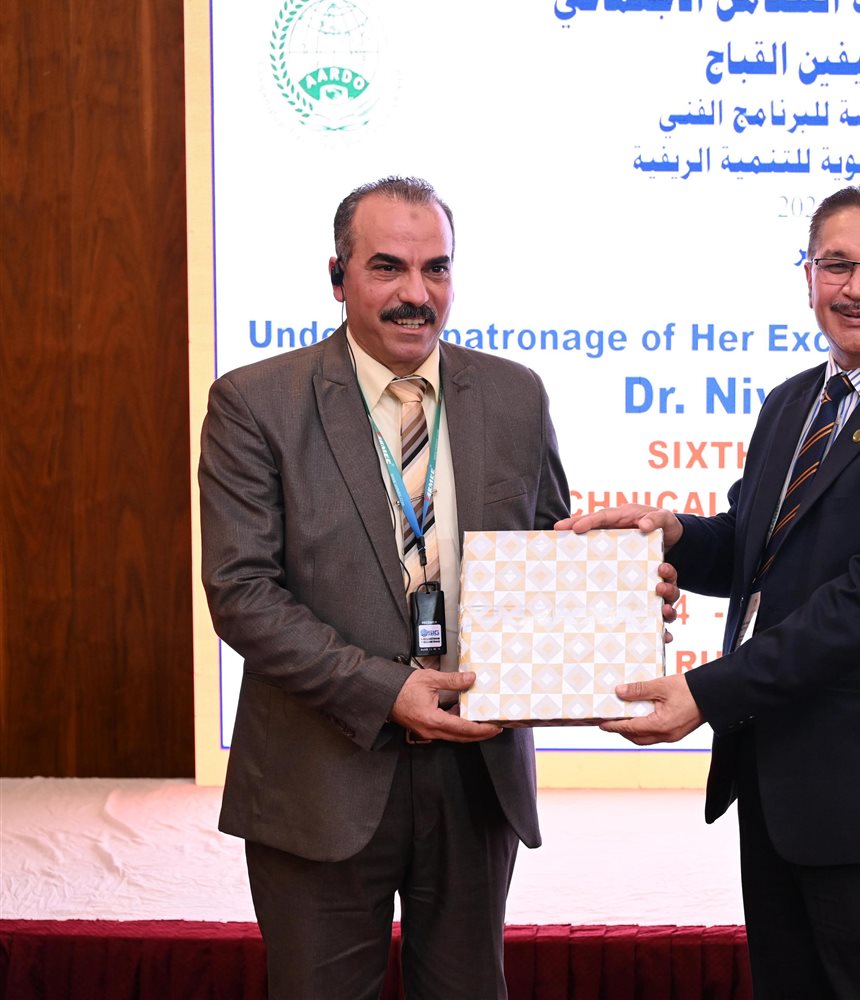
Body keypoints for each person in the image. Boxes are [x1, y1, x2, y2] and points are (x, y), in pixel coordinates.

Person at [199, 176, 676, 999]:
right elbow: (242, 592)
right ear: (337, 277)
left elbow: (544, 554)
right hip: (322, 773)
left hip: (474, 773)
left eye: (437, 268)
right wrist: (387, 691)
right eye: (388, 267)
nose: (416, 294)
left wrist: (620, 600)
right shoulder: (255, 402)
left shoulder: (515, 394)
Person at [559, 183, 860, 998]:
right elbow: (757, 546)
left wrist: (706, 692)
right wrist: (672, 535)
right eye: (836, 264)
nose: (856, 287)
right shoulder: (794, 401)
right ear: (807, 276)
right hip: (777, 781)